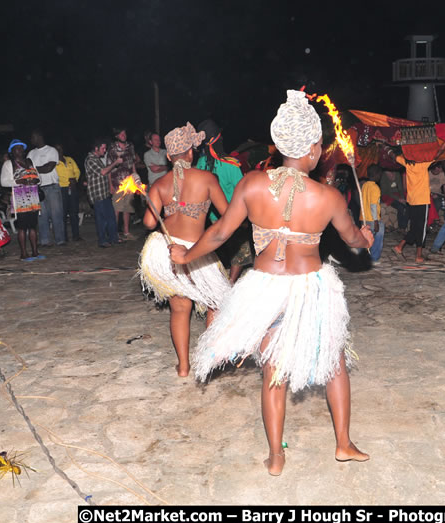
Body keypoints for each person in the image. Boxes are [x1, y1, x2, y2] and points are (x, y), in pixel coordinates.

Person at [170, 90, 372, 476]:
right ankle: (343, 444)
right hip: (309, 286)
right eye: (319, 147)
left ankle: (276, 456)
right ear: (313, 148)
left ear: (279, 145)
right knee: (335, 362)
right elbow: (353, 242)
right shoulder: (327, 196)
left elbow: (218, 234)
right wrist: (366, 235)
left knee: (273, 370)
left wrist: (186, 255)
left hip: (262, 287)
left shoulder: (251, 184)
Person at [139, 122, 231, 377]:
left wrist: (153, 198)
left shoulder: (160, 184)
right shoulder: (207, 179)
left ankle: (183, 367)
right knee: (215, 303)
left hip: (168, 250)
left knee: (180, 309)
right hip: (197, 252)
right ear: (191, 153)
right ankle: (207, 359)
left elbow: (148, 223)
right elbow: (227, 214)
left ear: (169, 157)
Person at [196, 118, 251, 282]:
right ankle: (230, 282)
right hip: (232, 216)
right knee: (240, 249)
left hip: (211, 218)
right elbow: (243, 192)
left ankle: (217, 279)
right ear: (219, 139)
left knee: (216, 249)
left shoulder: (200, 163)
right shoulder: (232, 165)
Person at [384, 145, 438, 262]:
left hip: (412, 201)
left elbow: (393, 156)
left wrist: (386, 148)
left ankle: (400, 247)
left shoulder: (407, 163)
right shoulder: (424, 164)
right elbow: (439, 154)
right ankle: (418, 255)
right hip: (422, 201)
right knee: (421, 229)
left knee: (415, 227)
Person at [0, 140, 44, 261]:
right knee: (23, 227)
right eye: (16, 148)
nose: (19, 150)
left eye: (21, 148)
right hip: (20, 197)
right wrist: (18, 182)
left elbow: (39, 178)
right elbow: (3, 182)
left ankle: (35, 252)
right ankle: (24, 253)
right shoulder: (9, 164)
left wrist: (37, 180)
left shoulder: (29, 162)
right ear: (12, 152)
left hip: (33, 197)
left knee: (33, 226)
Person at [28, 130, 65, 247]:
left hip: (52, 186)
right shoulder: (31, 153)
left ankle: (60, 240)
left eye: (32, 137)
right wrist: (39, 168)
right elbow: (29, 170)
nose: (31, 139)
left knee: (56, 214)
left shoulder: (51, 150)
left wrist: (34, 168)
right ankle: (45, 240)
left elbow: (49, 168)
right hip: (38, 187)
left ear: (39, 136)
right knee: (41, 216)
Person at [84, 138, 121, 248]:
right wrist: (115, 163)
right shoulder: (90, 160)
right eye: (103, 148)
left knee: (111, 217)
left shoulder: (97, 159)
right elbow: (103, 172)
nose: (105, 151)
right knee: (102, 219)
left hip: (104, 193)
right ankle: (102, 241)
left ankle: (113, 238)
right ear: (96, 149)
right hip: (97, 194)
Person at [108, 128, 139, 240]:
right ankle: (115, 234)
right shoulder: (112, 148)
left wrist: (136, 178)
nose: (123, 135)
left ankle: (126, 232)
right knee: (117, 209)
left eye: (124, 133)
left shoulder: (130, 146)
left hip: (129, 182)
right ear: (116, 136)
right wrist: (110, 185)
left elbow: (132, 164)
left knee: (128, 208)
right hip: (117, 183)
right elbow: (108, 168)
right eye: (121, 133)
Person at [55, 144, 82, 242]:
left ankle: (76, 235)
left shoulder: (69, 159)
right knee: (63, 213)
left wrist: (75, 179)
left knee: (74, 212)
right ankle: (64, 237)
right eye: (57, 149)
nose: (59, 150)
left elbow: (77, 171)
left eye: (60, 148)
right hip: (62, 188)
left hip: (72, 187)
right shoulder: (54, 163)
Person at [360, 164, 384, 263]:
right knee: (378, 238)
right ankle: (374, 258)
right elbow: (373, 205)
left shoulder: (364, 185)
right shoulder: (375, 188)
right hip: (372, 218)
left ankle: (361, 257)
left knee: (365, 238)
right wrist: (376, 221)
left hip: (363, 217)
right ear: (377, 175)